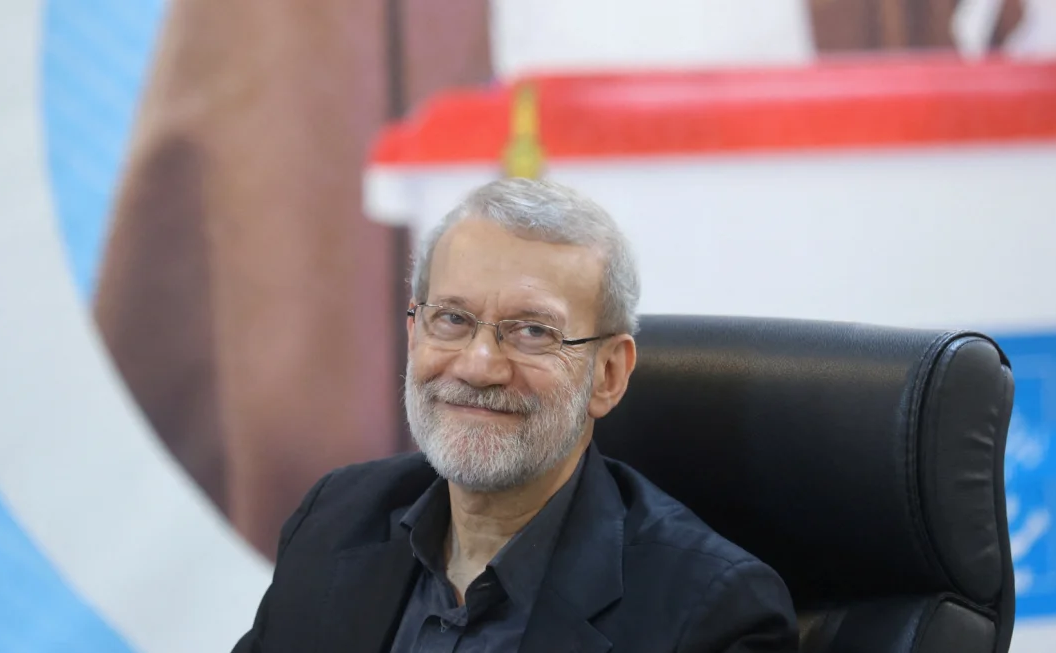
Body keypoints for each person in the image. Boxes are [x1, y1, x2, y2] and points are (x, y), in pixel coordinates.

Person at [230, 178, 801, 652]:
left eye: (533, 331)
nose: (479, 366)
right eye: (452, 319)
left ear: (608, 375)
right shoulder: (335, 519)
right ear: (414, 334)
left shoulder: (712, 616)